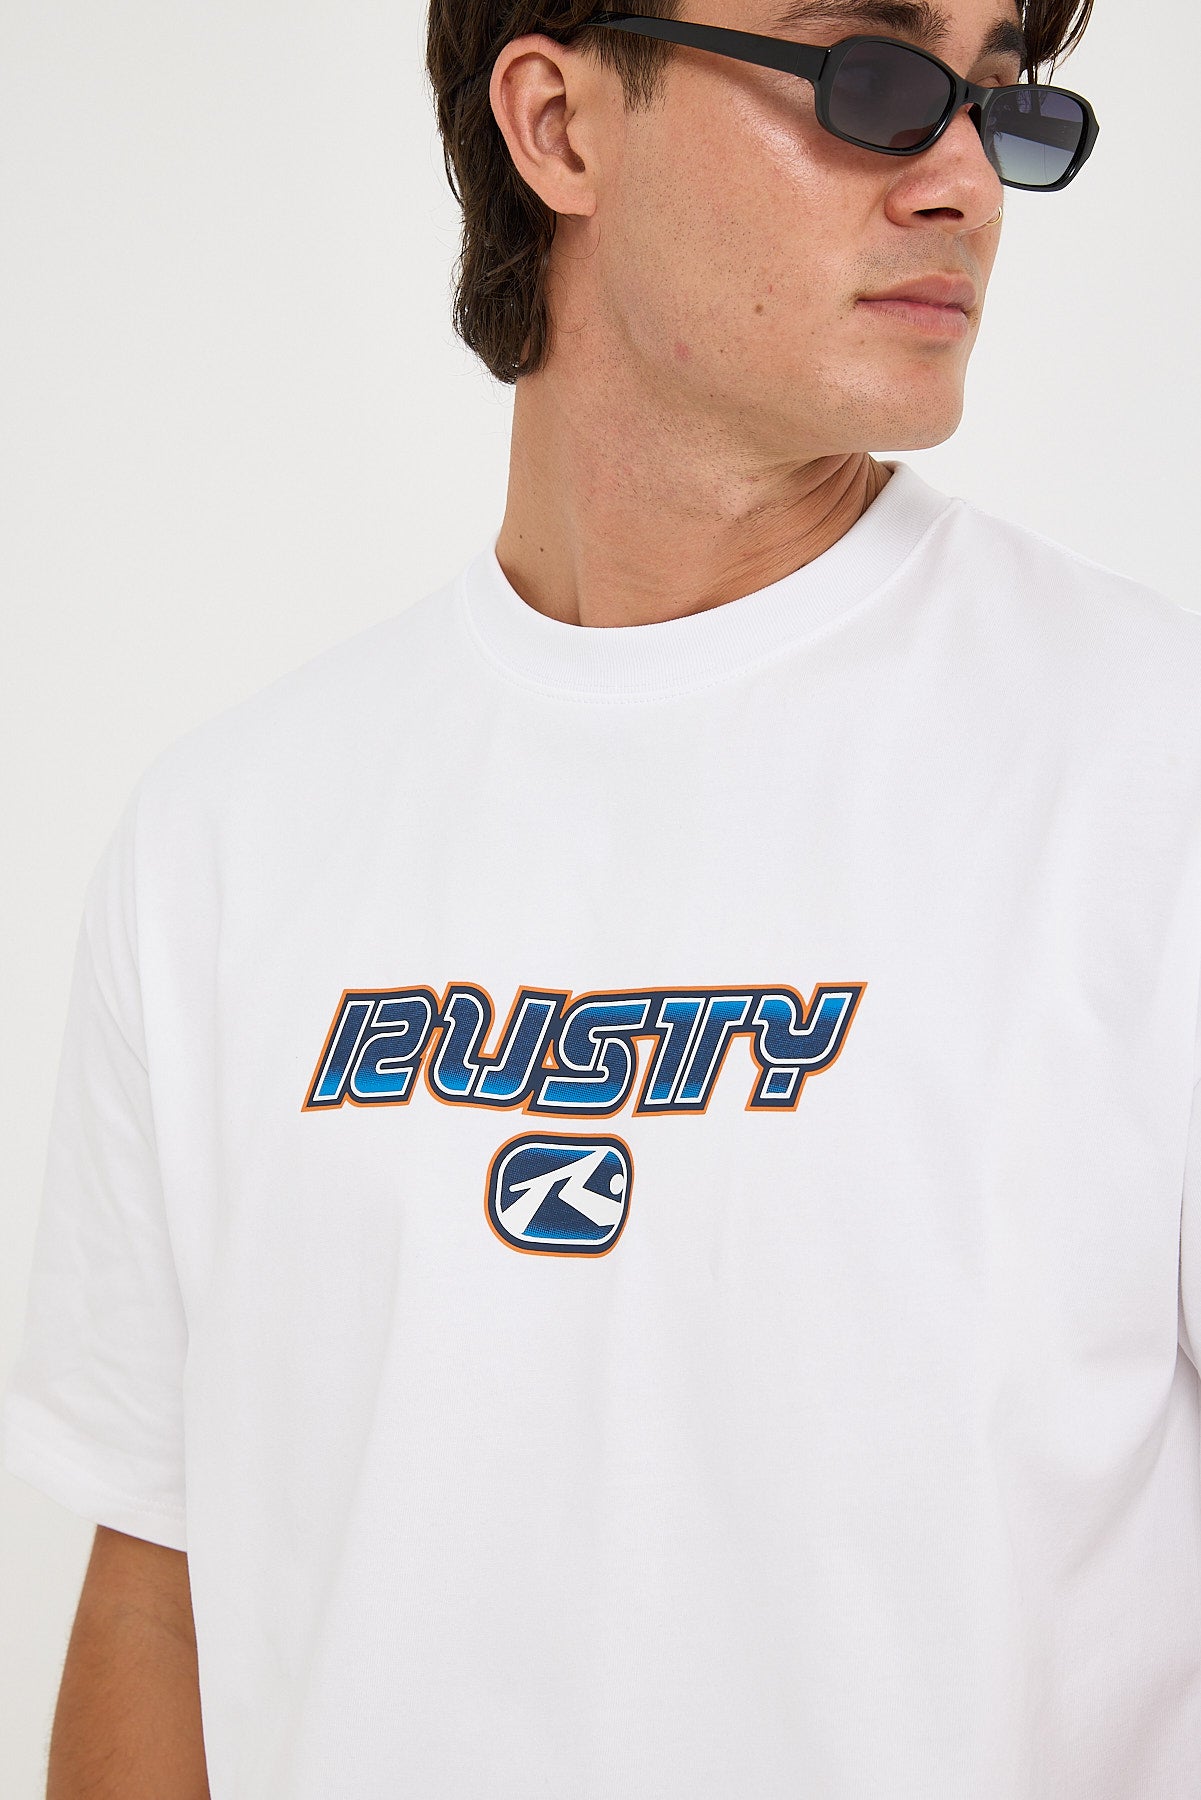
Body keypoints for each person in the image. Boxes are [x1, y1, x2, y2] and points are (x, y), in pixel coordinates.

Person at [3, 2, 1199, 1795]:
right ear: (558, 126)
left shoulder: (1153, 774)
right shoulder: (222, 844)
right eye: (874, 78)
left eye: (1000, 97)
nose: (963, 179)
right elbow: (159, 1592)